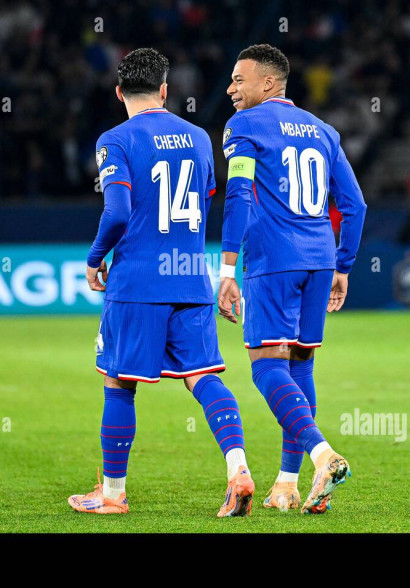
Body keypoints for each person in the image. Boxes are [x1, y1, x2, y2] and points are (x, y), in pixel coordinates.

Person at [68, 49, 254, 517]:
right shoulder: (198, 137)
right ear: (165, 90)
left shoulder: (115, 140)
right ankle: (238, 470)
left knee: (118, 382)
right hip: (190, 276)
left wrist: (94, 259)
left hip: (137, 280)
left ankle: (112, 494)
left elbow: (117, 212)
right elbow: (212, 201)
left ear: (118, 93)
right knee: (203, 377)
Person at [217, 45, 366, 513]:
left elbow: (238, 194)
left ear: (268, 83)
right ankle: (287, 484)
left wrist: (225, 269)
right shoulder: (325, 132)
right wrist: (343, 265)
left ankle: (322, 455)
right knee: (300, 365)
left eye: (239, 80)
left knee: (265, 366)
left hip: (273, 259)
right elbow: (355, 206)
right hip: (320, 259)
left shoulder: (243, 127)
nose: (230, 90)